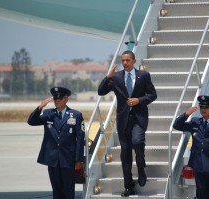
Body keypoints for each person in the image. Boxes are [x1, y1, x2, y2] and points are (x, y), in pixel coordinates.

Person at [98, 50, 157, 197]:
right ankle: (129, 186)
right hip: (123, 120)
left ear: (134, 61)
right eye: (123, 60)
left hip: (138, 118)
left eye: (127, 60)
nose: (125, 63)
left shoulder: (143, 76)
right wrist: (107, 77)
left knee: (137, 142)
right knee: (125, 154)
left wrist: (139, 100)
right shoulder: (116, 77)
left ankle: (141, 168)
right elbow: (101, 91)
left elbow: (152, 95)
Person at [27, 87, 85, 199]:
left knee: (68, 190)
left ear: (66, 99)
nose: (57, 101)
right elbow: (31, 122)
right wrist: (40, 107)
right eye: (55, 99)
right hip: (52, 159)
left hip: (68, 159)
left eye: (60, 98)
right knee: (56, 190)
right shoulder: (48, 113)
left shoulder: (76, 115)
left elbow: (80, 139)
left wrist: (78, 160)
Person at [173, 95, 209, 199]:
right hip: (199, 165)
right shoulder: (195, 122)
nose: (203, 109)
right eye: (201, 107)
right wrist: (186, 114)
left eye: (206, 107)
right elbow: (177, 125)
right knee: (201, 194)